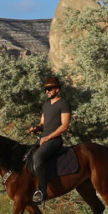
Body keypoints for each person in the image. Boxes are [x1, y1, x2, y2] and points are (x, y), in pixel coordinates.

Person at [27, 76, 71, 205]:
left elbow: (64, 126)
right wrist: (36, 128)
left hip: (55, 140)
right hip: (44, 139)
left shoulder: (63, 104)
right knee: (28, 155)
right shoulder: (46, 105)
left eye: (49, 89)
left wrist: (48, 137)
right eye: (45, 89)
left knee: (38, 157)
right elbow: (42, 123)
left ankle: (43, 192)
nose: (47, 91)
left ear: (57, 89)